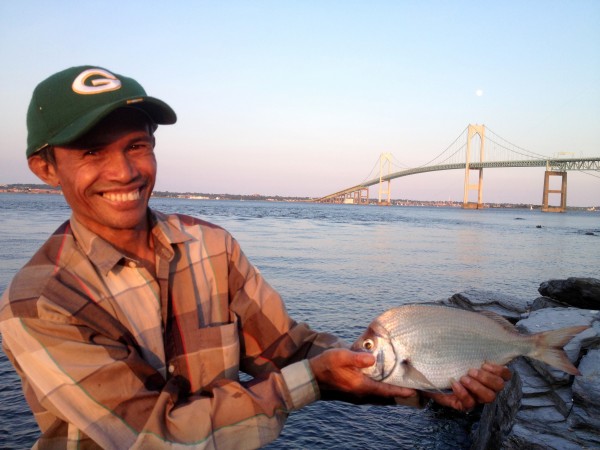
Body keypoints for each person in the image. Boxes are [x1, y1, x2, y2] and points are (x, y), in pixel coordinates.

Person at [0, 66, 511, 449]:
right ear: (45, 168)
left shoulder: (212, 246)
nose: (125, 171)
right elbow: (148, 437)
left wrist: (418, 381)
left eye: (137, 146)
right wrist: (312, 380)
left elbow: (288, 350)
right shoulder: (41, 302)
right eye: (91, 152)